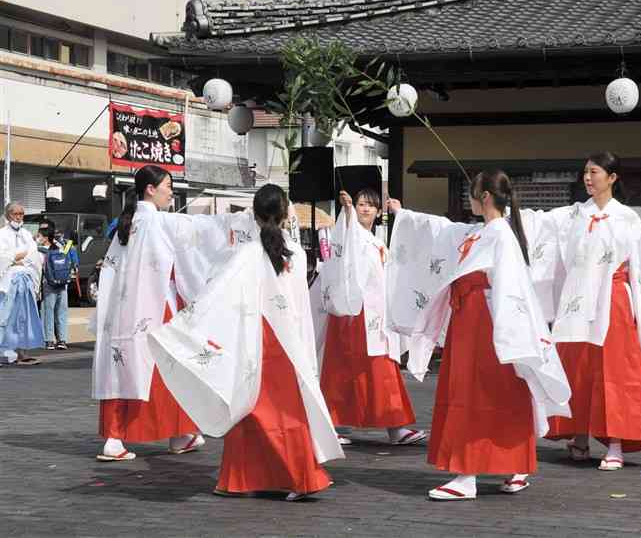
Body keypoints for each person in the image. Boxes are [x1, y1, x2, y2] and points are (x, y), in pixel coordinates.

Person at [148, 184, 343, 501]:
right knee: (286, 414)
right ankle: (297, 477)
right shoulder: (295, 254)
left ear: (254, 213)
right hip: (286, 343)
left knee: (248, 412)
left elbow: (215, 295)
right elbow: (300, 308)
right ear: (285, 213)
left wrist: (182, 326)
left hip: (255, 341)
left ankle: (245, 478)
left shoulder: (246, 254)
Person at [385, 170, 571, 501]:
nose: (468, 199)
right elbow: (442, 229)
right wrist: (405, 215)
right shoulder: (482, 231)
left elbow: (512, 287)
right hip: (475, 321)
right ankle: (515, 466)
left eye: (472, 193)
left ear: (485, 197)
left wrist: (509, 332)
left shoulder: (500, 235)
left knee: (474, 393)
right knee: (500, 392)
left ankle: (467, 475)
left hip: (486, 324)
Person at [92, 165, 258, 461]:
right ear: (150, 189)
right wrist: (241, 219)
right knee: (167, 367)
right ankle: (175, 434)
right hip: (156, 306)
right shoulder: (158, 222)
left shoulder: (125, 226)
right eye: (167, 185)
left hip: (121, 313)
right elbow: (202, 230)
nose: (171, 190)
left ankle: (117, 437)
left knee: (122, 369)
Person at [540, 152, 641, 471]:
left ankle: (616, 442)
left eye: (594, 172)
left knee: (615, 370)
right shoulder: (572, 215)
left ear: (612, 177)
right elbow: (538, 223)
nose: (587, 177)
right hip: (579, 302)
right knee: (578, 366)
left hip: (614, 301)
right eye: (585, 172)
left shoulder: (626, 217)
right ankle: (579, 436)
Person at [318, 189, 425, 446]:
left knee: (381, 367)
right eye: (360, 204)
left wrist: (401, 216)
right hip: (352, 313)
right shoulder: (351, 234)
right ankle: (330, 425)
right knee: (342, 369)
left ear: (379, 211)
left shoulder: (377, 241)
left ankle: (394, 425)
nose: (364, 209)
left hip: (376, 315)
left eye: (370, 205)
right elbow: (343, 240)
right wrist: (346, 211)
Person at [0, 202, 44, 365]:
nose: (19, 217)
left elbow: (34, 256)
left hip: (25, 280)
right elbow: (2, 257)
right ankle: (3, 351)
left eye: (21, 214)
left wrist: (19, 258)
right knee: (5, 316)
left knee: (24, 317)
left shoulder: (26, 234)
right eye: (15, 214)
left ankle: (22, 351)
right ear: (7, 215)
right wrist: (16, 257)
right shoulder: (2, 234)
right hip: (9, 282)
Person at [38, 226, 70, 351]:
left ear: (46, 238)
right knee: (62, 311)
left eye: (39, 236)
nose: (37, 238)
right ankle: (62, 340)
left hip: (49, 284)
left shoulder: (40, 251)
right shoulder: (61, 248)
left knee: (48, 312)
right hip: (63, 284)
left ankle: (49, 340)